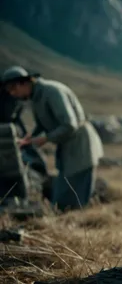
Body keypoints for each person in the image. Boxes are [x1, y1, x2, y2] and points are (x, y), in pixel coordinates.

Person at [1, 66, 103, 211]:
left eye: (13, 89)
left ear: (22, 83)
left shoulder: (52, 92)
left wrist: (45, 139)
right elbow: (44, 123)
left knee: (74, 198)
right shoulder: (36, 97)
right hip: (68, 149)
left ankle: (82, 227)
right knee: (62, 195)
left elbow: (70, 125)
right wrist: (29, 138)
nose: (13, 94)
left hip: (80, 147)